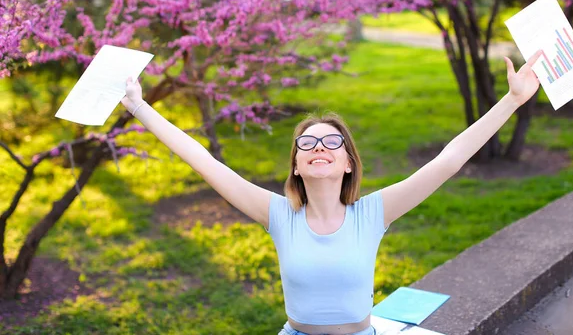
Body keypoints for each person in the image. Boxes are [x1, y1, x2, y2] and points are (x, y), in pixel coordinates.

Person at [120, 51, 542, 335]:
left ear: (348, 164)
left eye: (331, 142)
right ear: (297, 168)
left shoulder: (372, 213)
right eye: (306, 144)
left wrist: (511, 100)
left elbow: (448, 161)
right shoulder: (278, 214)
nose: (318, 147)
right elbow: (204, 162)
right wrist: (140, 107)